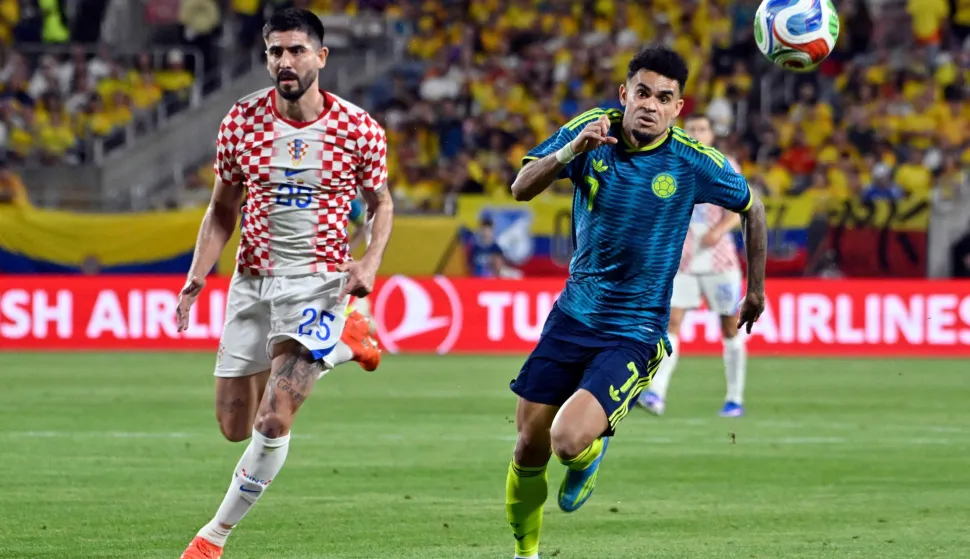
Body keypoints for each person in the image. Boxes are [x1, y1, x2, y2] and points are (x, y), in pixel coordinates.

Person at [504, 46, 767, 559]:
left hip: (635, 331)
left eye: (663, 97)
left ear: (678, 108)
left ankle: (590, 452)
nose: (649, 105)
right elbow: (521, 187)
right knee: (527, 447)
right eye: (641, 93)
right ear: (624, 94)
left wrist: (755, 288)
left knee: (565, 440)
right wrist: (569, 152)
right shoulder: (591, 130)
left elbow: (752, 207)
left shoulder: (693, 162)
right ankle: (525, 554)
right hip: (572, 316)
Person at [175, 9, 391, 559]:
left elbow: (380, 204)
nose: (285, 62)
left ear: (321, 56)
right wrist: (197, 277)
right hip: (252, 283)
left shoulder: (357, 127)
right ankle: (348, 342)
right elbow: (222, 210)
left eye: (296, 50)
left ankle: (212, 538)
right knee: (233, 425)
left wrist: (368, 263)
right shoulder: (241, 122)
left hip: (318, 284)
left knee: (273, 419)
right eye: (275, 51)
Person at [637, 114, 748, 418]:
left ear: (712, 135)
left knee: (730, 326)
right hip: (682, 260)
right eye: (693, 129)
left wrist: (719, 230)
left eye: (703, 129)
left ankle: (734, 398)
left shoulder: (725, 165)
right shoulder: (670, 162)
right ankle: (656, 393)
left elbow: (742, 210)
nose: (698, 133)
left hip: (719, 260)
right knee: (671, 323)